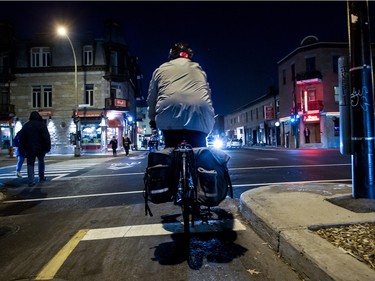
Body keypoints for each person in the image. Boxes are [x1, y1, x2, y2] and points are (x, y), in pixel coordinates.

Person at [146, 42, 215, 148]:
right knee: (199, 150)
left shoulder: (160, 70)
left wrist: (152, 118)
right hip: (199, 112)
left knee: (171, 148)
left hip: (168, 112)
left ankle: (170, 158)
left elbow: (151, 98)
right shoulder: (200, 71)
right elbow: (208, 95)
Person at [19, 111, 51, 187]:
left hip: (29, 148)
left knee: (30, 164)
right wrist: (47, 147)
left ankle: (31, 180)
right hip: (41, 148)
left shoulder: (26, 125)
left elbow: (21, 138)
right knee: (41, 161)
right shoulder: (42, 125)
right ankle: (41, 177)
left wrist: (24, 147)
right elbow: (46, 137)